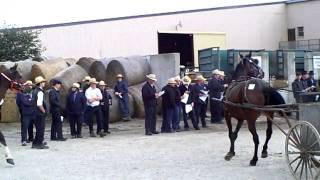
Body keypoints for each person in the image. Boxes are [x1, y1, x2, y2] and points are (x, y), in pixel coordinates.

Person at [32, 76, 49, 149]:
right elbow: (39, 104)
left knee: (38, 129)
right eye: (43, 82)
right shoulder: (40, 92)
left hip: (35, 113)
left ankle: (35, 143)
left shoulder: (34, 91)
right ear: (40, 83)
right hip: (39, 113)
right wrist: (44, 111)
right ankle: (39, 144)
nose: (44, 83)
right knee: (41, 129)